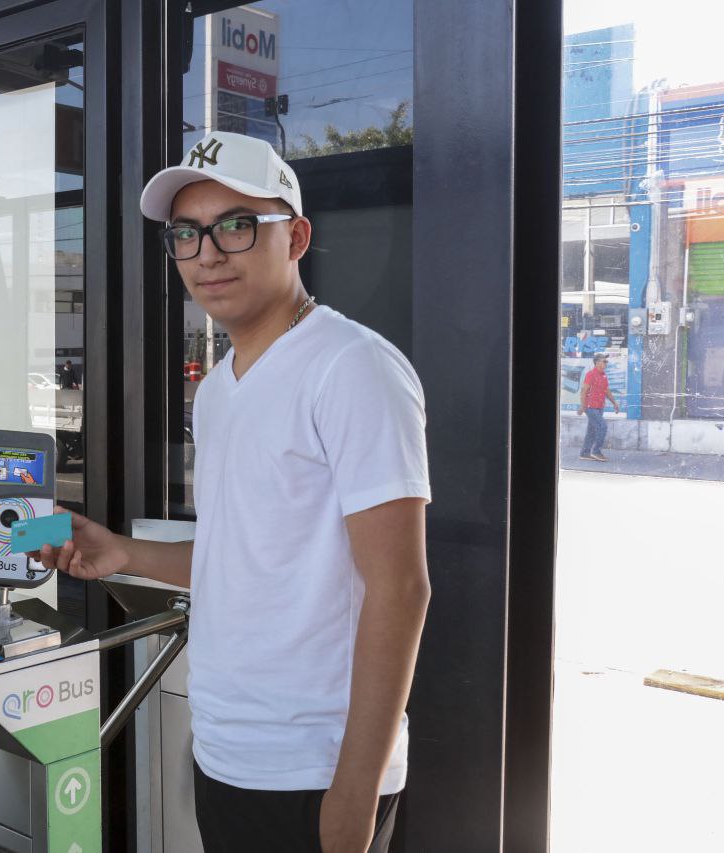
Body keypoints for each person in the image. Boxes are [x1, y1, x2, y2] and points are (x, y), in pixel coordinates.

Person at [36, 131, 430, 853]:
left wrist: (355, 790)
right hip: (226, 748)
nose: (207, 254)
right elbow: (240, 554)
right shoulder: (217, 390)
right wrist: (122, 551)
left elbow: (400, 588)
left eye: (236, 225)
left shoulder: (351, 367)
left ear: (297, 236)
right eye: (186, 235)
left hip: (315, 767)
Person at [578, 352, 619, 462]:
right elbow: (584, 391)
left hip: (599, 407)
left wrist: (614, 402)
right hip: (590, 407)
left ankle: (585, 453)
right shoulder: (590, 374)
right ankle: (596, 451)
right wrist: (583, 406)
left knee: (591, 430)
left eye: (606, 361)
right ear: (597, 363)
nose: (606, 363)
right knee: (602, 426)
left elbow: (607, 391)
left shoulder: (604, 375)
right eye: (604, 361)